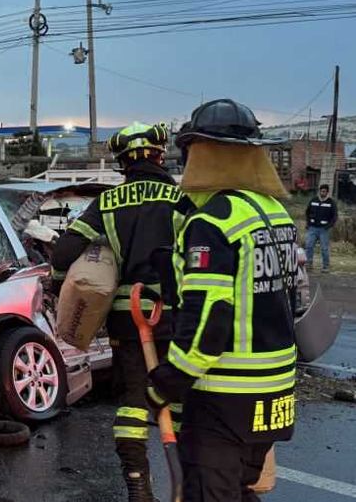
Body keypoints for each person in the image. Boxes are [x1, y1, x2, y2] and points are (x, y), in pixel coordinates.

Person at [147, 99, 298, 502]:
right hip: (276, 394)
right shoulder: (275, 214)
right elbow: (291, 299)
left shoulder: (213, 222)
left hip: (226, 398)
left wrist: (168, 381)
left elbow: (208, 321)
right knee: (241, 490)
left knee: (209, 493)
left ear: (203, 152)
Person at [52, 122, 186, 501]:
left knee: (133, 402)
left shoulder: (107, 203)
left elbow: (63, 254)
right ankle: (188, 481)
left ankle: (138, 486)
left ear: (121, 162)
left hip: (128, 319)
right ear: (161, 155)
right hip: (176, 316)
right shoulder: (182, 200)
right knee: (178, 397)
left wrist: (62, 281)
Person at [305, 183, 337, 272]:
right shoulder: (313, 200)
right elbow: (307, 212)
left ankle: (325, 266)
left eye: (324, 191)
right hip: (312, 228)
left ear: (327, 192)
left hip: (324, 229)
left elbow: (334, 216)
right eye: (321, 191)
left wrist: (328, 226)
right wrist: (308, 223)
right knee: (309, 246)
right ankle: (308, 264)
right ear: (319, 191)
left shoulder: (331, 203)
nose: (322, 193)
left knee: (324, 248)